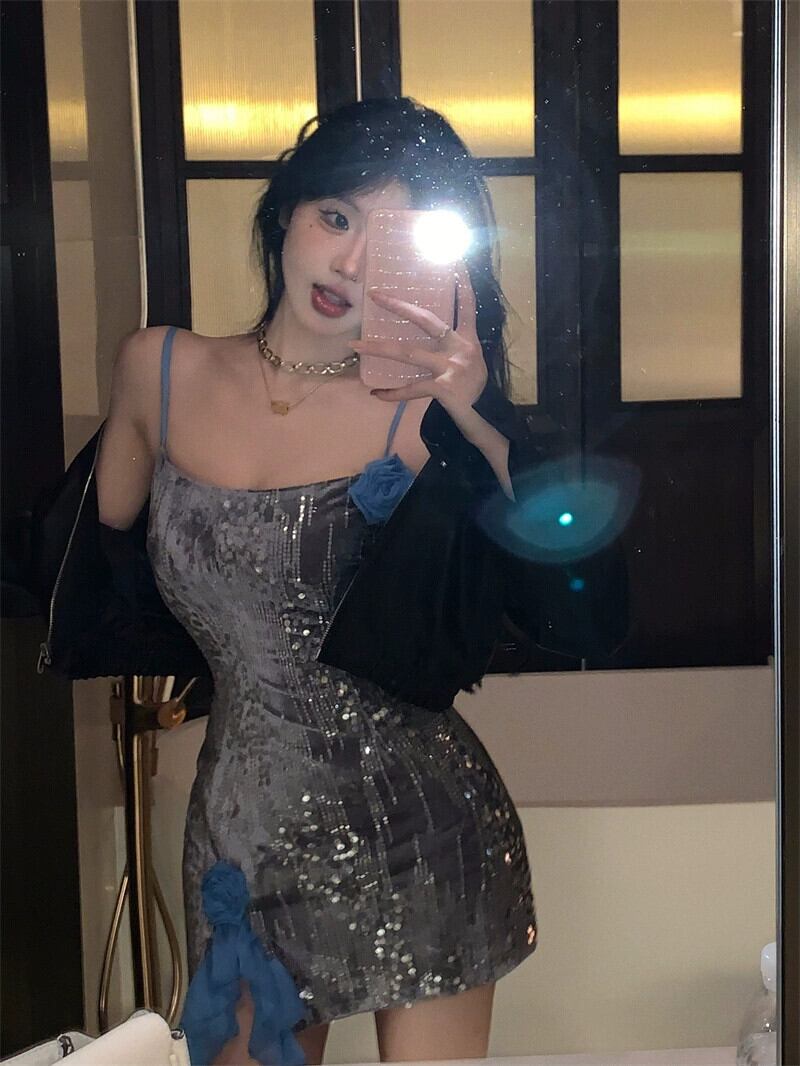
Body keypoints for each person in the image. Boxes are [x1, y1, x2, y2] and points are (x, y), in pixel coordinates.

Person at [94, 97, 623, 1066]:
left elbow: (579, 601)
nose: (349, 263)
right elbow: (88, 568)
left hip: (421, 833)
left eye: (392, 242)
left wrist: (482, 415)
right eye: (335, 217)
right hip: (242, 840)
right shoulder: (157, 369)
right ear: (284, 217)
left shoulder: (427, 414)